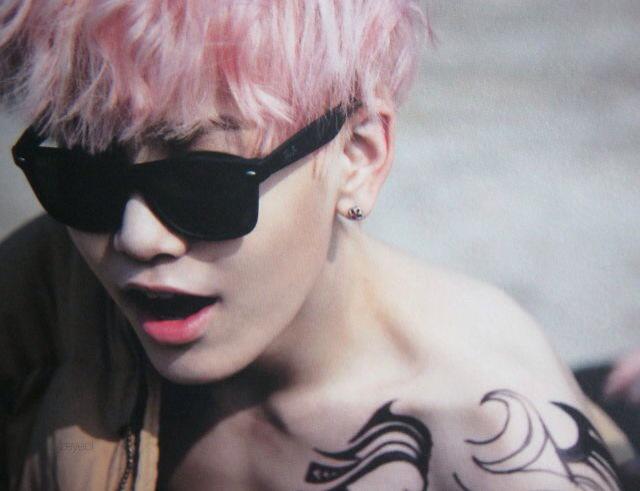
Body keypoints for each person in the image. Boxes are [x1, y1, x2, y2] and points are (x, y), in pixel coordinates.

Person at [0, 1, 633, 490]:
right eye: (82, 173)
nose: (136, 236)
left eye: (202, 182)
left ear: (358, 157)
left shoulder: (491, 454)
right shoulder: (48, 292)